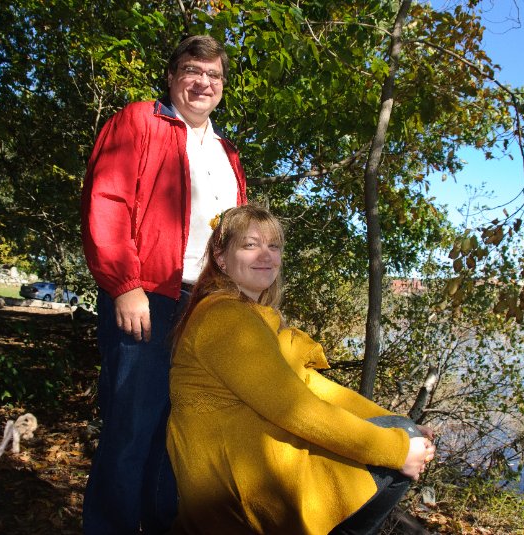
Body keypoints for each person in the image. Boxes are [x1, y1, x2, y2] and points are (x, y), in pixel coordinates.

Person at [167, 205, 437, 535]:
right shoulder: (226, 318)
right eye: (251, 245)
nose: (266, 255)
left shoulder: (251, 316)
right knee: (400, 445)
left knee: (403, 432)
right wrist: (396, 448)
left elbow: (315, 387)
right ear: (222, 258)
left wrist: (401, 428)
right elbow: (296, 409)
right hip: (239, 488)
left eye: (274, 246)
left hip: (255, 470)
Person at [80, 35, 247, 534]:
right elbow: (107, 202)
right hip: (147, 296)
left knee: (179, 430)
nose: (204, 83)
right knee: (130, 429)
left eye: (214, 76)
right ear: (173, 77)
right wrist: (125, 285)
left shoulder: (227, 153)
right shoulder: (139, 121)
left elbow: (235, 237)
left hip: (206, 306)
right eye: (193, 72)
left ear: (222, 86)